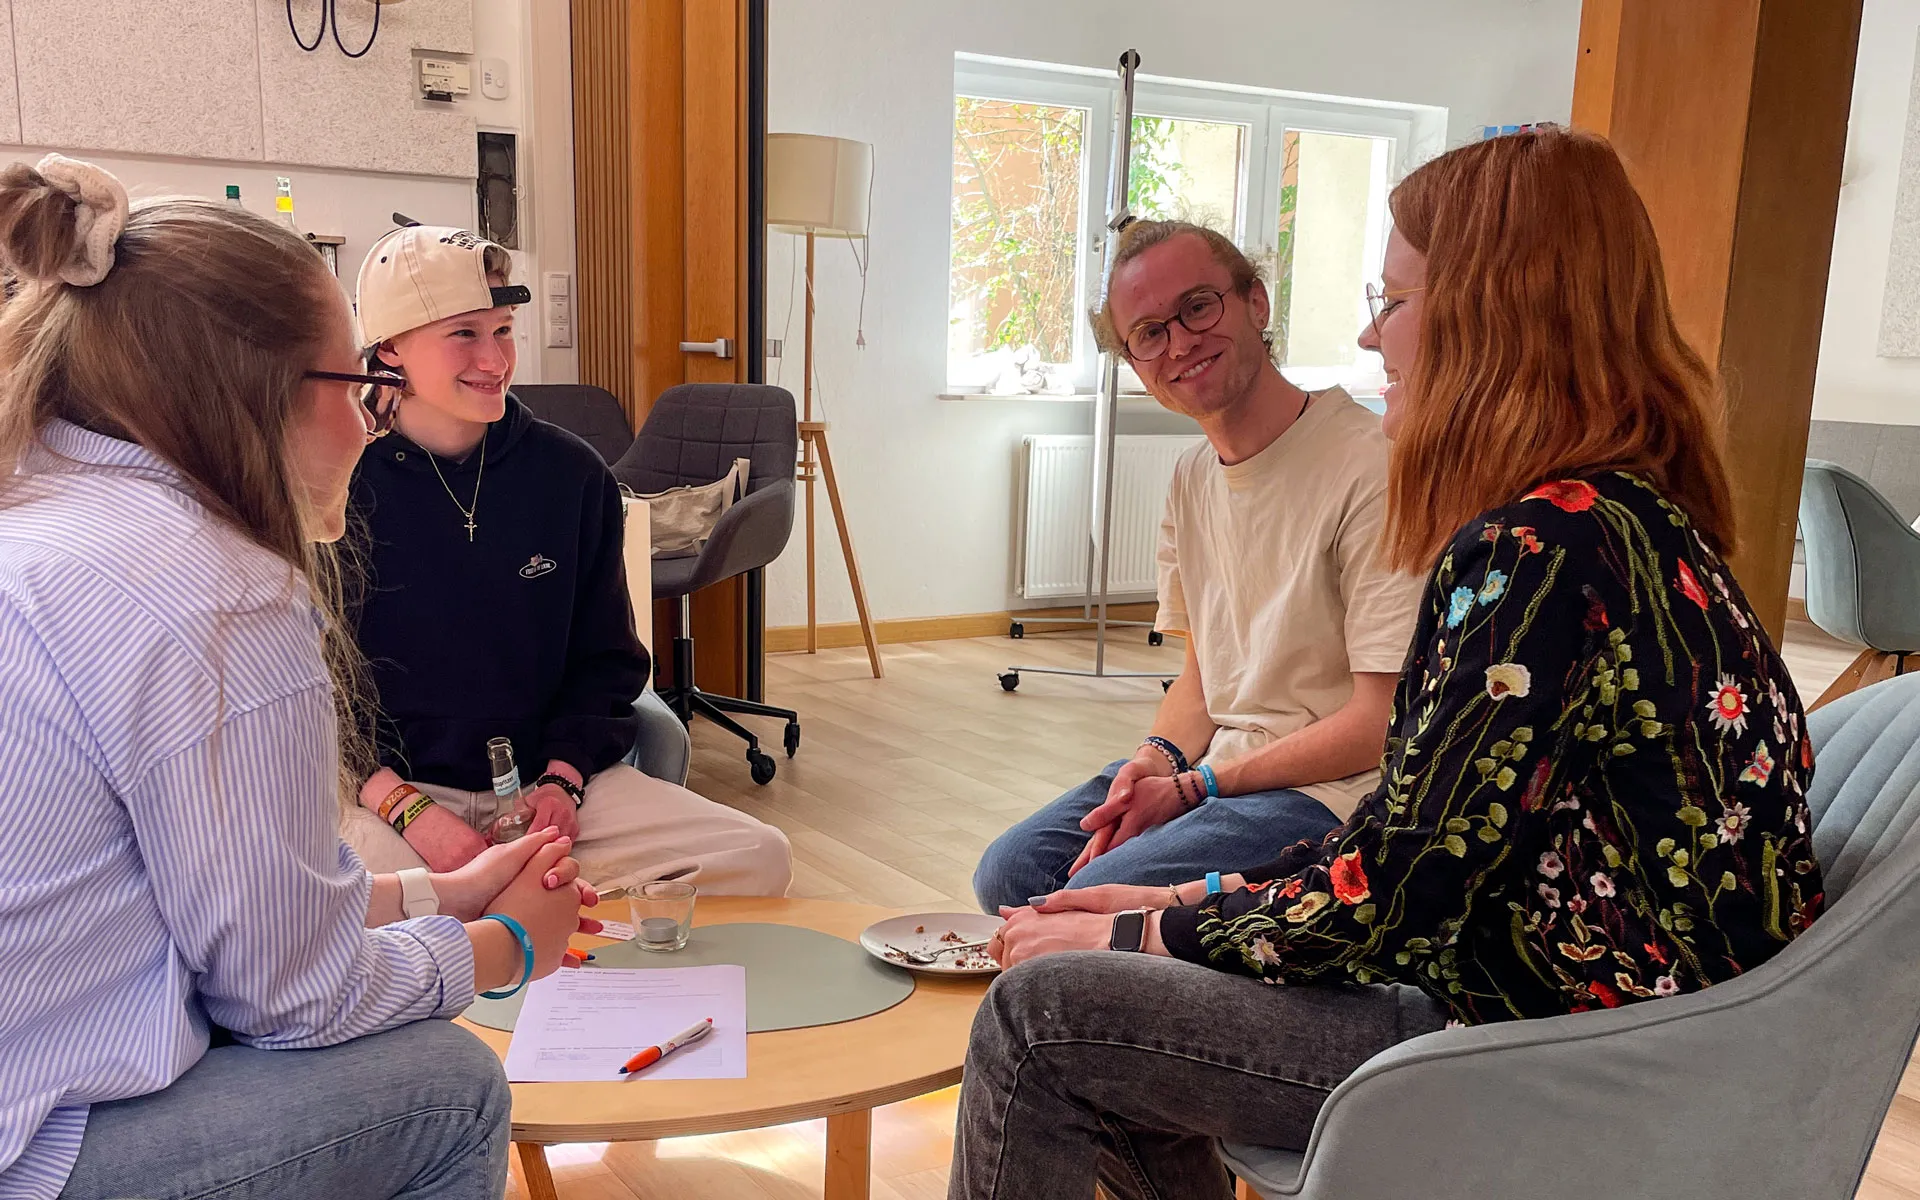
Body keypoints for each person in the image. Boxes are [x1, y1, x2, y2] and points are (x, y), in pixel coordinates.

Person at [949, 128, 1825, 1200]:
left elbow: (1393, 895)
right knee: (1082, 941)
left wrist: (1152, 923)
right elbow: (1420, 845)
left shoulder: (1534, 556)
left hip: (1550, 1056)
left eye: (1395, 301)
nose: (1370, 337)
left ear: (1497, 315)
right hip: (1600, 1021)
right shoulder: (1639, 524)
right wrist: (1195, 894)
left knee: (1040, 1018)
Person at [0, 157, 595, 1199]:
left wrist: (434, 896)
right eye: (361, 389)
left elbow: (200, 898)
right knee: (450, 1087)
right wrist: (502, 946)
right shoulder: (219, 590)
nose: (368, 424)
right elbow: (288, 996)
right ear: (259, 390)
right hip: (37, 1146)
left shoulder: (42, 515)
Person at [972, 220, 1425, 913]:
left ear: (1257, 304)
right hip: (1221, 770)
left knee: (1094, 896)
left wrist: (1195, 788)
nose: (1180, 342)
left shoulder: (1369, 464)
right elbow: (1204, 678)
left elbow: (1378, 719)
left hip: (1330, 792)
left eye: (1198, 307)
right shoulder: (1190, 477)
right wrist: (1152, 762)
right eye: (1149, 333)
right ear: (1134, 361)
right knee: (1011, 873)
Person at [337, 224, 791, 897]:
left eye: (504, 329)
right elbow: (315, 694)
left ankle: (527, 920)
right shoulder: (337, 482)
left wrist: (561, 780)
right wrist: (412, 811)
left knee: (760, 855)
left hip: (541, 791)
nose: (494, 360)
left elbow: (607, 661)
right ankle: (510, 914)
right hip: (392, 797)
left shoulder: (571, 475)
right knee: (360, 902)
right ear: (391, 348)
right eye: (464, 333)